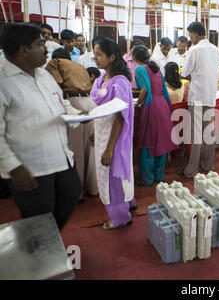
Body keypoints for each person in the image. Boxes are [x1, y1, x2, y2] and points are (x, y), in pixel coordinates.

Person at [0, 23, 84, 229]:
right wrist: (13, 166)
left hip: (61, 157)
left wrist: (78, 115)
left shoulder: (43, 74)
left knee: (72, 193)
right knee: (38, 215)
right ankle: (40, 251)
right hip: (30, 166)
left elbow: (61, 102)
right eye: (40, 44)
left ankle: (48, 242)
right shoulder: (4, 80)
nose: (47, 48)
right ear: (23, 49)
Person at [90, 38, 136, 230]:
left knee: (113, 177)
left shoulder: (120, 83)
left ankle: (120, 218)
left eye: (99, 54)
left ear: (111, 57)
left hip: (115, 138)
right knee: (110, 174)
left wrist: (110, 148)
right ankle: (129, 203)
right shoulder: (101, 79)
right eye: (95, 53)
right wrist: (94, 130)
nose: (95, 58)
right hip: (102, 133)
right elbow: (100, 110)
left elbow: (119, 118)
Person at [46, 48, 98, 202]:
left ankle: (78, 194)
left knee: (76, 151)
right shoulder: (80, 66)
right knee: (91, 149)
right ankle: (93, 189)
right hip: (90, 103)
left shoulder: (54, 63)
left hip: (73, 103)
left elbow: (56, 86)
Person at [178, 22, 219, 179]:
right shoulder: (217, 51)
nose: (190, 39)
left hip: (196, 97)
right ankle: (208, 165)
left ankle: (191, 170)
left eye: (190, 36)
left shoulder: (194, 50)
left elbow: (184, 72)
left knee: (196, 136)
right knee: (209, 134)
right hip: (210, 96)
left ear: (195, 34)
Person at [133, 48, 178, 186]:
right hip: (163, 106)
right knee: (161, 142)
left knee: (148, 143)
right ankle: (159, 175)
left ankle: (147, 179)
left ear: (135, 58)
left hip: (151, 107)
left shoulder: (140, 69)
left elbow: (144, 91)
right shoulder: (157, 69)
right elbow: (163, 90)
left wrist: (136, 104)